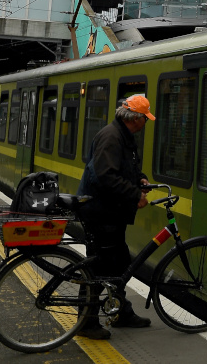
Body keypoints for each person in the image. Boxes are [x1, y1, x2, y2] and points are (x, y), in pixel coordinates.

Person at [76, 94, 156, 340]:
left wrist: (139, 178)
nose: (146, 123)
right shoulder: (112, 137)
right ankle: (86, 322)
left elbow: (122, 168)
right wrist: (135, 195)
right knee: (100, 267)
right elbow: (106, 177)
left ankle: (121, 312)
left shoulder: (122, 135)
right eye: (146, 118)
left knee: (120, 264)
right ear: (136, 118)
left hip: (110, 213)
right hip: (101, 212)